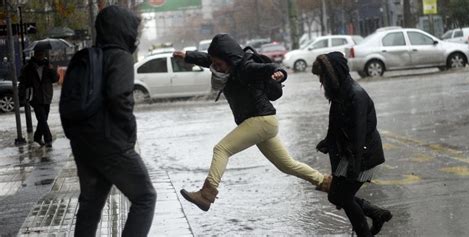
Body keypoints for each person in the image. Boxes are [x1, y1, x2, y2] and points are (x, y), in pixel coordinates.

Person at [173, 34, 331, 212]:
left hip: (261, 120)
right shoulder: (227, 66)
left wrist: (279, 72)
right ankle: (324, 182)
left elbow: (270, 67)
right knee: (286, 164)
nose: (215, 68)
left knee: (221, 149)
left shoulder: (246, 67)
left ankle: (206, 195)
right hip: (260, 122)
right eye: (214, 64)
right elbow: (207, 59)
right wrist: (187, 56)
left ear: (230, 60)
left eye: (219, 64)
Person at [61, 6, 156, 237]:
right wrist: (129, 135)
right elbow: (119, 97)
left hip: (83, 143)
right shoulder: (120, 56)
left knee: (90, 206)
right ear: (123, 29)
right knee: (145, 197)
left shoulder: (88, 56)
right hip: (111, 143)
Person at [312, 52, 392, 236]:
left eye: (322, 77)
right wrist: (328, 141)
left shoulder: (356, 96)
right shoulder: (340, 92)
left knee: (344, 197)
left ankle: (366, 231)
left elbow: (358, 136)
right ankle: (375, 213)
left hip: (364, 156)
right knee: (336, 195)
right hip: (350, 155)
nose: (321, 82)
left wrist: (354, 167)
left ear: (332, 75)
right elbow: (336, 124)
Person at [19, 49, 58, 147]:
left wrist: (51, 69)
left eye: (42, 54)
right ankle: (48, 139)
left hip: (47, 96)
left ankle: (37, 137)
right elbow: (23, 82)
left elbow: (55, 79)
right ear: (35, 55)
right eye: (39, 54)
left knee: (43, 118)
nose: (41, 56)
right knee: (42, 118)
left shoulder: (47, 65)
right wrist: (22, 96)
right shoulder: (28, 67)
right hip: (35, 97)